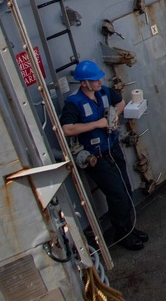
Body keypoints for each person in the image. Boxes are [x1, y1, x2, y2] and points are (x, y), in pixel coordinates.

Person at [60, 60, 148, 250]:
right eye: (95, 80)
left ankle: (129, 227)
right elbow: (67, 129)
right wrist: (97, 124)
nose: (100, 81)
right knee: (117, 195)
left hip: (112, 149)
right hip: (96, 157)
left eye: (99, 78)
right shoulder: (74, 103)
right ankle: (122, 233)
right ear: (84, 83)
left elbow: (121, 102)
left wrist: (114, 115)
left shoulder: (104, 92)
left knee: (124, 188)